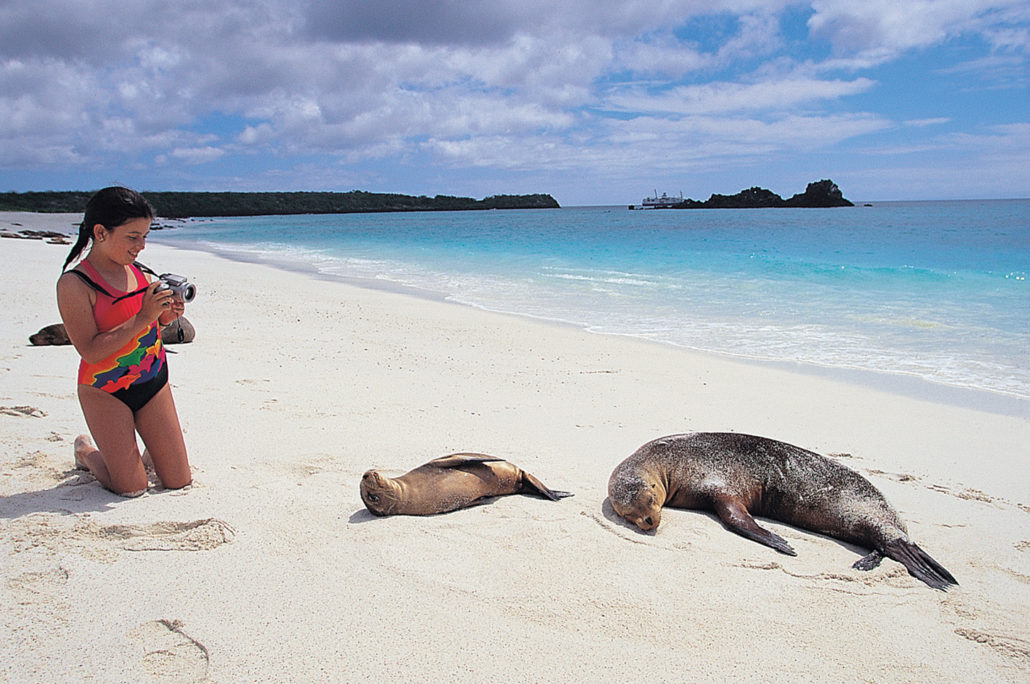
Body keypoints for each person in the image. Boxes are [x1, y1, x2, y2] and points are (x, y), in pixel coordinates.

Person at [56, 187, 191, 496]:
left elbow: (151, 325)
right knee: (130, 487)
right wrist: (144, 317)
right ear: (100, 232)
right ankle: (86, 453)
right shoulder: (75, 284)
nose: (141, 246)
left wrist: (167, 316)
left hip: (152, 381)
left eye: (145, 236)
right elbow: (90, 351)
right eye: (133, 237)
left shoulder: (141, 273)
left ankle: (150, 447)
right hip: (105, 391)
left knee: (178, 481)